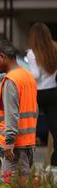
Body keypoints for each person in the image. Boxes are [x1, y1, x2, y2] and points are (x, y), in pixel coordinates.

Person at [0, 40, 38, 176]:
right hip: (27, 142)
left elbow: (11, 113)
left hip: (14, 147)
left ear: (2, 56)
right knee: (23, 186)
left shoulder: (11, 80)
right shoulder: (28, 77)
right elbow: (34, 108)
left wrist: (9, 142)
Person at [27, 22, 57, 174]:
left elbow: (35, 76)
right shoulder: (55, 48)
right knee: (54, 129)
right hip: (53, 92)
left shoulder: (32, 53)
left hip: (38, 94)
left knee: (29, 127)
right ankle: (54, 164)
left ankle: (26, 161)